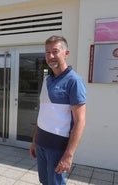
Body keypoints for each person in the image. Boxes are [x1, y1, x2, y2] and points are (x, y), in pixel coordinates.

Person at [29, 35, 86, 185]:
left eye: (55, 51)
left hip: (58, 147)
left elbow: (80, 121)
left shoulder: (74, 81)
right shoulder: (47, 79)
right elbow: (43, 113)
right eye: (47, 52)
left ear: (66, 53)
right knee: (45, 181)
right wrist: (35, 141)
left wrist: (69, 155)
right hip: (41, 143)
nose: (51, 56)